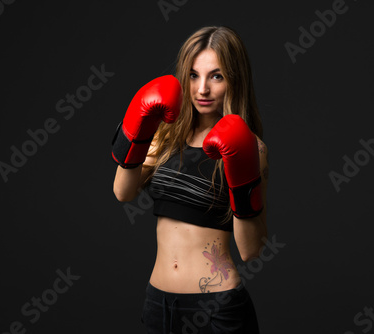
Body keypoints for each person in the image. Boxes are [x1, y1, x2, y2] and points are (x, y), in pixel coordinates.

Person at [112, 26, 268, 334]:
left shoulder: (250, 148)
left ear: (234, 80)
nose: (202, 90)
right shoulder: (164, 136)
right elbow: (122, 192)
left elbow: (250, 250)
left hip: (216, 307)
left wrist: (240, 169)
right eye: (194, 75)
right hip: (159, 304)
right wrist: (136, 135)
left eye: (216, 76)